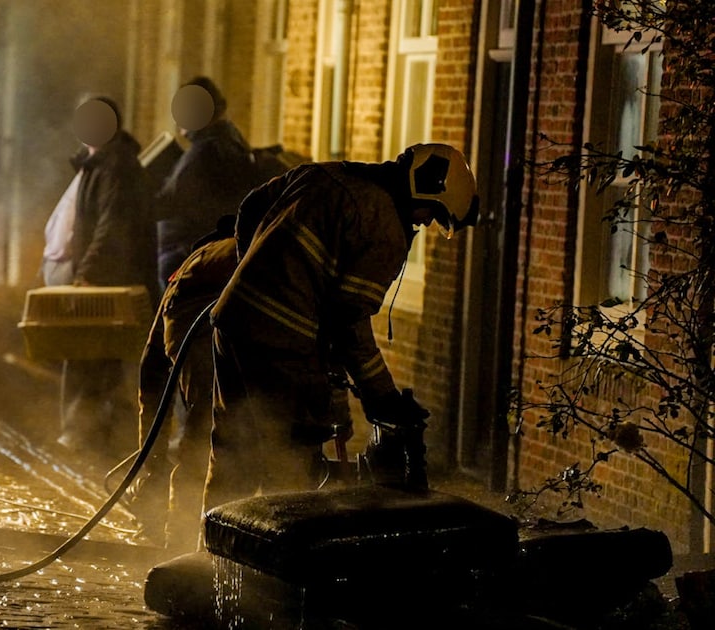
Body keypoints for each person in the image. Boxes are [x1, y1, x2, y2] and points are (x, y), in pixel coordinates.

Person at [201, 143, 480, 515]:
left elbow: (251, 207)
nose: (426, 223)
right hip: (285, 346)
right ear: (424, 191)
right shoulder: (384, 228)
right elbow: (349, 325)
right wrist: (382, 397)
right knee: (290, 470)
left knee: (232, 452)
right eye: (433, 213)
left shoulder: (323, 173)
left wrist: (255, 273)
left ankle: (211, 546)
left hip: (233, 322)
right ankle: (281, 548)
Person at [43, 95, 156, 461]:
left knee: (96, 356)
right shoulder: (98, 165)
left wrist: (89, 274)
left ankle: (91, 438)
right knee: (92, 356)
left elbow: (112, 227)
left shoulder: (115, 168)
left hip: (111, 286)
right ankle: (90, 436)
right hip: (102, 282)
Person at [131, 215, 238, 550]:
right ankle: (185, 540)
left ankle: (184, 538)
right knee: (210, 429)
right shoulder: (205, 270)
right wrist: (152, 463)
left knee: (212, 430)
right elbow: (153, 372)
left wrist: (152, 462)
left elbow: (152, 370)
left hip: (211, 328)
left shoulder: (201, 263)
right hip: (203, 330)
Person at [155, 76, 256, 293]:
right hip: (198, 252)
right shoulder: (228, 142)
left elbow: (175, 200)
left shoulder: (205, 151)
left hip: (187, 255)